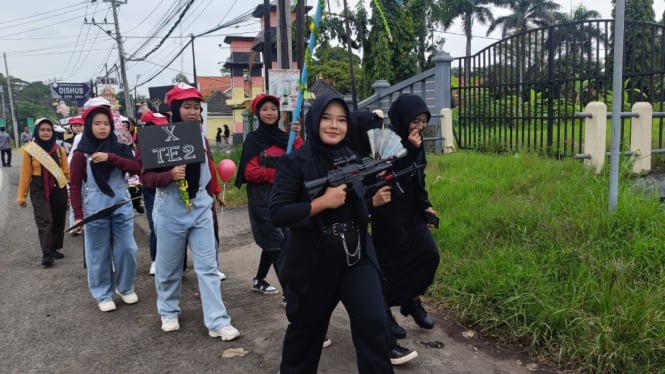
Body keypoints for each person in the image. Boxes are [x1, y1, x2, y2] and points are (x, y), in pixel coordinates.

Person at [270, 94, 393, 373]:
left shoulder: (353, 157)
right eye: (326, 118)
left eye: (341, 119)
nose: (333, 125)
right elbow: (277, 212)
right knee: (306, 335)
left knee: (375, 325)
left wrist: (371, 203)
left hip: (356, 256)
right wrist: (320, 203)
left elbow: (357, 209)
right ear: (314, 121)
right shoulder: (294, 163)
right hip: (314, 261)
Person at [140, 83, 238, 339]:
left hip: (200, 208)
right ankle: (169, 310)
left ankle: (217, 320)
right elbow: (145, 177)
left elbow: (209, 167)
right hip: (170, 208)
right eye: (187, 107)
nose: (193, 112)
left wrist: (215, 191)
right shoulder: (158, 138)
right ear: (175, 109)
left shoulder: (202, 137)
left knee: (208, 267)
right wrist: (169, 175)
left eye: (197, 107)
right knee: (169, 265)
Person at [348, 108, 419, 365]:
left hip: (357, 242)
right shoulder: (344, 159)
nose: (376, 135)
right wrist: (370, 201)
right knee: (311, 315)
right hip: (326, 247)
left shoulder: (367, 156)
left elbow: (405, 168)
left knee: (371, 298)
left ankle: (386, 343)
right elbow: (339, 203)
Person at [371, 93, 440, 338]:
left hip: (411, 212)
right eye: (416, 121)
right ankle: (384, 312)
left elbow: (418, 177)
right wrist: (410, 150)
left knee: (429, 255)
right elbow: (388, 175)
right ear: (403, 118)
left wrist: (425, 205)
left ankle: (412, 300)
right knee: (390, 267)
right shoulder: (383, 140)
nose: (420, 127)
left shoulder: (417, 142)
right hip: (388, 213)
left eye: (423, 121)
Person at [69, 103, 141, 312]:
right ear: (89, 125)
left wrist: (112, 158)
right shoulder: (81, 154)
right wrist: (78, 216)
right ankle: (103, 293)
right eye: (97, 123)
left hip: (121, 205)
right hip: (95, 208)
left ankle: (126, 288)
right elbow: (74, 185)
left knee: (128, 248)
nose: (102, 128)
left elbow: (137, 167)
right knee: (97, 252)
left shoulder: (120, 147)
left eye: (106, 123)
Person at [236, 93, 303, 296]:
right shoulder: (253, 140)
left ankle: (259, 280)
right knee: (278, 244)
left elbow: (300, 159)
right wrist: (278, 174)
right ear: (257, 113)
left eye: (273, 108)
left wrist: (298, 138)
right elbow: (250, 171)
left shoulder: (287, 138)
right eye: (264, 109)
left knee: (278, 242)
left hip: (284, 198)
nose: (269, 112)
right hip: (262, 201)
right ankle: (289, 293)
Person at [17, 118, 69, 266]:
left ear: (52, 132)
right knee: (45, 219)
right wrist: (22, 196)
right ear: (37, 131)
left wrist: (72, 190)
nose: (46, 133)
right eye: (42, 130)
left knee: (59, 219)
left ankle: (54, 248)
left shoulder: (60, 149)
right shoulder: (31, 150)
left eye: (49, 130)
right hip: (38, 187)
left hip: (58, 186)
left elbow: (66, 171)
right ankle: (46, 253)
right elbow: (25, 174)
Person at [64, 116, 85, 236]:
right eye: (75, 126)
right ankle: (74, 225)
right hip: (72, 171)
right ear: (71, 127)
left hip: (86, 173)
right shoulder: (65, 140)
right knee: (75, 199)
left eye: (80, 125)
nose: (77, 128)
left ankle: (84, 223)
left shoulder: (89, 138)